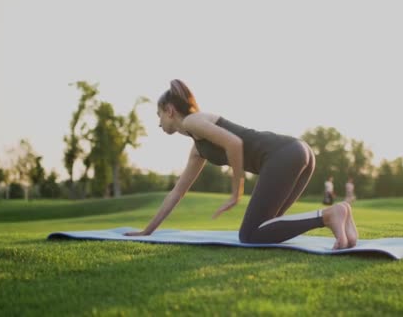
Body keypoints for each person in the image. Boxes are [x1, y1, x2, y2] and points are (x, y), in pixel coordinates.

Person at [124, 79, 358, 249]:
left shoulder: (194, 121)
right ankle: (342, 215)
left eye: (159, 115)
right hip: (297, 151)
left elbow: (234, 144)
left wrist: (237, 191)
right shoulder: (198, 148)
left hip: (284, 155)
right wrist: (148, 231)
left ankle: (329, 215)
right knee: (267, 229)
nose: (159, 123)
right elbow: (177, 192)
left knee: (249, 235)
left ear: (170, 110)